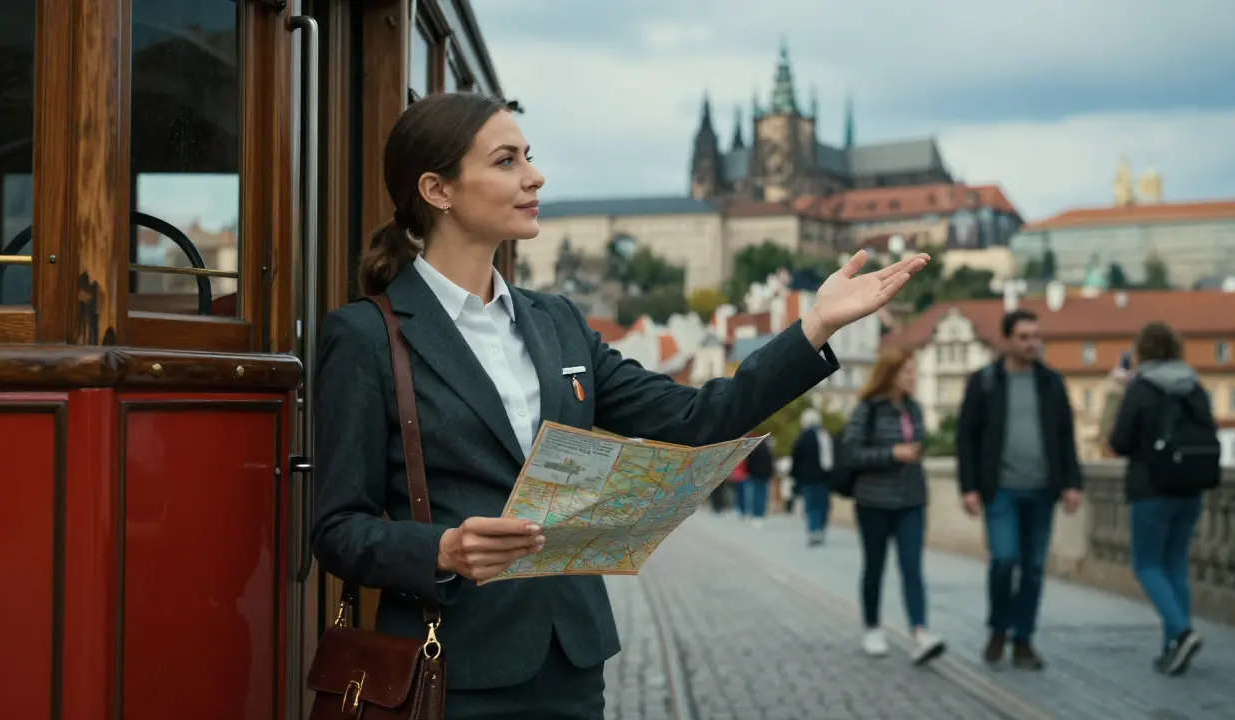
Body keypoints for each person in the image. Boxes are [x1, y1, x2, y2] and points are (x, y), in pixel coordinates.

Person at [309, 91, 930, 719]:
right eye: (506, 161)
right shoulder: (365, 336)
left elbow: (696, 418)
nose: (535, 175)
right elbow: (336, 530)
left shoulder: (558, 322)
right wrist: (442, 550)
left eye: (529, 156)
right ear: (437, 190)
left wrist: (814, 327)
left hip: (573, 661)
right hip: (450, 666)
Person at [956, 308, 1083, 670]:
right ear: (1007, 341)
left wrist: (1073, 483)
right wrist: (968, 488)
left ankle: (1023, 639)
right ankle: (999, 626)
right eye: (1024, 337)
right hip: (1001, 490)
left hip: (1043, 489)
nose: (1032, 343)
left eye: (1036, 336)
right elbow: (966, 438)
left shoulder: (1051, 383)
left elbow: (1065, 437)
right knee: (1004, 560)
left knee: (1033, 568)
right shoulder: (985, 382)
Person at [1108, 322, 1218, 676]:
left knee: (1148, 566)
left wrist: (1119, 391)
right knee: (1175, 566)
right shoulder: (1194, 385)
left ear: (1141, 351)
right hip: (1191, 487)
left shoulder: (1141, 388)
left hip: (1151, 489)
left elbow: (1119, 441)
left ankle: (1182, 632)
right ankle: (1173, 647)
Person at [841, 347, 946, 665]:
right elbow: (851, 453)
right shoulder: (867, 409)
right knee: (875, 566)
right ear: (892, 375)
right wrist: (892, 454)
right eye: (908, 372)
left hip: (911, 500)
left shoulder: (914, 409)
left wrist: (911, 453)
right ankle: (872, 627)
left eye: (914, 371)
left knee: (912, 567)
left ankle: (919, 632)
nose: (913, 377)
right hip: (874, 501)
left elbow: (918, 446)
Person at [790, 407, 836, 545]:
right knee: (822, 505)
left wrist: (795, 477)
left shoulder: (801, 438)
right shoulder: (825, 436)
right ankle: (820, 529)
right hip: (823, 477)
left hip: (806, 479)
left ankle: (813, 530)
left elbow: (796, 459)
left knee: (810, 506)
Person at [743, 436, 775, 527]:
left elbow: (749, 462)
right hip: (764, 475)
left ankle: (755, 512)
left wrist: (749, 472)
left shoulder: (754, 450)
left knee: (755, 494)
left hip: (754, 474)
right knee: (763, 494)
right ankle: (761, 512)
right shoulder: (767, 450)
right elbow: (770, 463)